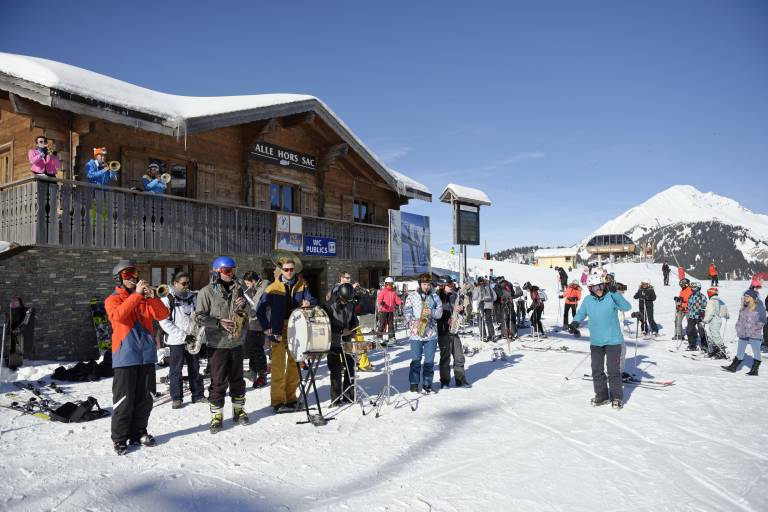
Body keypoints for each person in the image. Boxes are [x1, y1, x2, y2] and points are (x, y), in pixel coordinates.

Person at [105, 260, 169, 455]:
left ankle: (139, 432)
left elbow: (162, 314)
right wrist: (136, 296)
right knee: (124, 400)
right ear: (119, 279)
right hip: (125, 357)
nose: (133, 277)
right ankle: (119, 439)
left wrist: (152, 298)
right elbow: (118, 317)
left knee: (146, 399)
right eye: (127, 275)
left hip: (147, 357)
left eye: (134, 274)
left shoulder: (143, 300)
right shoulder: (113, 299)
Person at [195, 256, 250, 433]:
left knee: (238, 379)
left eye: (233, 270)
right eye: (227, 271)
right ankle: (216, 415)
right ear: (217, 272)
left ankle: (239, 410)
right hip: (217, 343)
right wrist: (218, 322)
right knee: (218, 381)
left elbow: (246, 315)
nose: (231, 274)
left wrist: (244, 307)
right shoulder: (206, 292)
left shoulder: (239, 290)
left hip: (235, 341)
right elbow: (199, 316)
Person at [256, 256, 316, 413]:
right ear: (281, 270)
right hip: (278, 329)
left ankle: (290, 398)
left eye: (291, 269)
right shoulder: (273, 288)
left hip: (297, 328)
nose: (289, 272)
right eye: (286, 269)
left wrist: (309, 303)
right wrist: (266, 327)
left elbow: (313, 299)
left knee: (294, 364)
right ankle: (277, 401)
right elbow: (260, 309)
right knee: (277, 366)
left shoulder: (302, 285)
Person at [569, 270, 632, 409]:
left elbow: (627, 307)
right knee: (596, 370)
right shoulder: (588, 300)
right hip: (596, 342)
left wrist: (615, 293)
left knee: (613, 371)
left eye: (601, 286)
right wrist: (575, 323)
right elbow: (581, 313)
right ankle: (602, 395)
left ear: (604, 285)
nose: (599, 290)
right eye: (595, 288)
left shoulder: (611, 296)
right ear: (590, 289)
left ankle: (616, 397)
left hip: (613, 341)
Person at [158, 271, 205, 409]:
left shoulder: (192, 297)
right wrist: (183, 336)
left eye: (188, 283)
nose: (186, 286)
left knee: (195, 368)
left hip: (192, 338)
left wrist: (199, 325)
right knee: (176, 370)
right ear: (175, 284)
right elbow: (164, 322)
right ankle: (177, 398)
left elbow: (198, 315)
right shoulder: (167, 298)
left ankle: (198, 395)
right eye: (183, 283)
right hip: (176, 340)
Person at [404, 273, 443, 393]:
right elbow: (406, 311)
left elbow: (440, 313)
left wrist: (431, 312)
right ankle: (414, 384)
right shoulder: (412, 296)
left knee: (429, 362)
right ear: (420, 284)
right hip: (416, 333)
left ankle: (427, 384)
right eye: (424, 284)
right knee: (416, 361)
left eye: (428, 284)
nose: (426, 286)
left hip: (431, 334)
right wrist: (412, 322)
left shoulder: (435, 296)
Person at [323, 283, 358, 404]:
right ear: (339, 295)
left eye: (347, 300)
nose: (345, 302)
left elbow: (354, 319)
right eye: (343, 300)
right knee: (336, 369)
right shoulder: (328, 305)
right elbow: (326, 324)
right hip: (333, 342)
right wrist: (341, 331)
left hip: (347, 341)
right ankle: (336, 398)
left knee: (350, 368)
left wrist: (353, 329)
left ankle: (348, 395)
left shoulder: (350, 304)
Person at [722, 289, 765, 376]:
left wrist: (755, 328)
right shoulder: (743, 307)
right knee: (740, 351)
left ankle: (754, 370)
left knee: (756, 351)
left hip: (754, 334)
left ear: (753, 298)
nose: (745, 298)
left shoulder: (759, 307)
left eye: (747, 296)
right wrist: (737, 326)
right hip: (743, 333)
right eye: (745, 296)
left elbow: (763, 320)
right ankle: (733, 367)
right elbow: (739, 319)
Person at [437, 279, 468, 388]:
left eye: (452, 284)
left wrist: (461, 309)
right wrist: (446, 319)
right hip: (443, 331)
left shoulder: (454, 296)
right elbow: (436, 315)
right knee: (445, 357)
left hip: (454, 330)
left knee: (459, 356)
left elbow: (461, 310)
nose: (452, 286)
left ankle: (460, 380)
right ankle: (445, 382)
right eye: (449, 285)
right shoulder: (437, 297)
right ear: (443, 285)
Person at [243, 271, 269, 388]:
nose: (247, 286)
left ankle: (262, 375)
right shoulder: (257, 287)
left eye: (248, 283)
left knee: (257, 350)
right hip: (253, 322)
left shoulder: (264, 286)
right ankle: (252, 371)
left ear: (253, 281)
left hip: (259, 323)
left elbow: (257, 304)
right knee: (252, 348)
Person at [703, 287, 729, 359]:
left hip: (714, 320)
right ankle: (714, 350)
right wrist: (727, 316)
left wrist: (705, 320)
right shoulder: (720, 301)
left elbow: (710, 313)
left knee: (715, 335)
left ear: (710, 294)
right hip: (718, 320)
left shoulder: (711, 301)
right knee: (710, 335)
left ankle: (722, 351)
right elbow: (724, 310)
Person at [376, 277, 401, 343]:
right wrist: (381, 302)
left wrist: (400, 302)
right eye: (388, 284)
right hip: (383, 310)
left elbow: (397, 299)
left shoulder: (393, 292)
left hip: (390, 310)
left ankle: (391, 337)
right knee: (382, 324)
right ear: (385, 284)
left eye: (391, 284)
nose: (389, 286)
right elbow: (379, 299)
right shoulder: (383, 291)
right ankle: (379, 337)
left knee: (391, 325)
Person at [472, 277, 496, 342]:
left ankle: (484, 336)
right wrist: (491, 301)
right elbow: (495, 296)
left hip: (481, 305)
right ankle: (492, 335)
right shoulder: (489, 287)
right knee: (489, 321)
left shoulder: (477, 288)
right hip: (489, 305)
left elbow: (474, 297)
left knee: (481, 320)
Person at [685, 282, 708, 352]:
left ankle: (704, 346)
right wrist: (686, 309)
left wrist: (702, 312)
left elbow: (705, 306)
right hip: (692, 316)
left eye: (694, 287)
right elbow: (689, 306)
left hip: (699, 316)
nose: (692, 288)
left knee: (701, 331)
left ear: (698, 288)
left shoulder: (702, 297)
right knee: (689, 330)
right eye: (692, 287)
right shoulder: (690, 296)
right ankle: (692, 345)